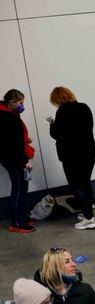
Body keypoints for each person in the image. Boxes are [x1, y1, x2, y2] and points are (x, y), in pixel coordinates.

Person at [48, 87, 95, 229]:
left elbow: (57, 134)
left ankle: (89, 218)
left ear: (57, 100)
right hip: (89, 153)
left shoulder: (62, 112)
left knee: (77, 186)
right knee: (85, 182)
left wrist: (52, 125)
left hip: (72, 156)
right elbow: (90, 126)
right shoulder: (84, 107)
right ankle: (87, 210)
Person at [0, 89, 35, 232]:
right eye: (20, 102)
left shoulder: (9, 113)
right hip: (14, 159)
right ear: (12, 102)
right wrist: (24, 161)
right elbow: (12, 144)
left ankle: (21, 217)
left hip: (9, 157)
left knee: (20, 187)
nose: (22, 105)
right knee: (20, 188)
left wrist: (25, 139)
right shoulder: (7, 117)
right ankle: (17, 223)